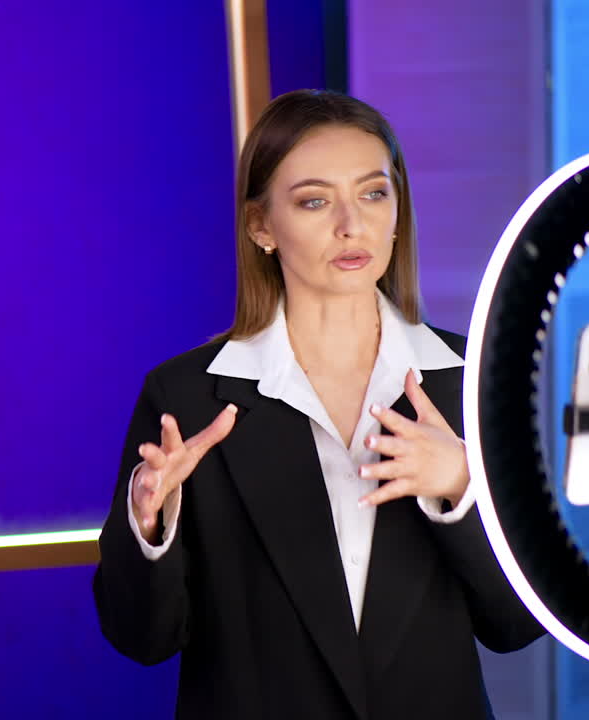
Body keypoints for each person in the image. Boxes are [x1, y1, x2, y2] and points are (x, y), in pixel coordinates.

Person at [92, 90, 545, 719]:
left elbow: (517, 625)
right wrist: (149, 527)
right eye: (314, 201)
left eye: (373, 193)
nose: (350, 226)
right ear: (261, 227)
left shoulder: (470, 381)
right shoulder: (187, 398)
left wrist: (461, 489)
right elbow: (142, 639)